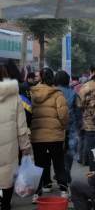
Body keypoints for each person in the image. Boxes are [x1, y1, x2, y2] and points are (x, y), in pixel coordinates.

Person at [29, 68, 68, 199]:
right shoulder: (58, 94)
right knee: (58, 163)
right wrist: (62, 127)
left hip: (37, 135)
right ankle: (63, 190)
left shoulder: (32, 93)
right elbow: (63, 115)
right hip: (55, 135)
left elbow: (29, 112)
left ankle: (37, 193)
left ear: (40, 77)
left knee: (39, 163)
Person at [0, 66, 32, 210]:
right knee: (6, 177)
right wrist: (25, 147)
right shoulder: (15, 98)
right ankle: (5, 204)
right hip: (9, 147)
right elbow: (21, 126)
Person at [54, 70, 80, 184]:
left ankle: (59, 174)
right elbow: (78, 112)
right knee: (68, 153)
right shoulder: (73, 93)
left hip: (55, 127)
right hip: (71, 127)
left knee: (57, 153)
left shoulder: (52, 92)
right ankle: (66, 173)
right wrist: (79, 126)